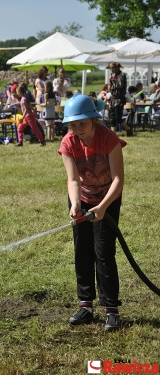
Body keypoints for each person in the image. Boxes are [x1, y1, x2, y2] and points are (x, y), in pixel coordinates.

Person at [58, 94, 126, 332]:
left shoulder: (109, 139)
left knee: (104, 252)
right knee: (82, 250)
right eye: (72, 125)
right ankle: (85, 305)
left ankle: (111, 309)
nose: (77, 129)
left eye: (82, 124)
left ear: (94, 120)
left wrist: (103, 207)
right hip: (83, 198)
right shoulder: (68, 143)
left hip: (108, 199)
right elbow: (73, 179)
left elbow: (118, 179)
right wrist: (76, 204)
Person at [107, 62, 132, 136]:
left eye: (113, 68)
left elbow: (120, 85)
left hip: (119, 99)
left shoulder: (122, 75)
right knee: (112, 117)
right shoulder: (112, 75)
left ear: (118, 67)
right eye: (111, 68)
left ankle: (128, 130)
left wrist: (112, 80)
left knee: (118, 117)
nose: (112, 70)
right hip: (112, 99)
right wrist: (110, 83)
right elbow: (110, 88)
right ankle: (113, 134)